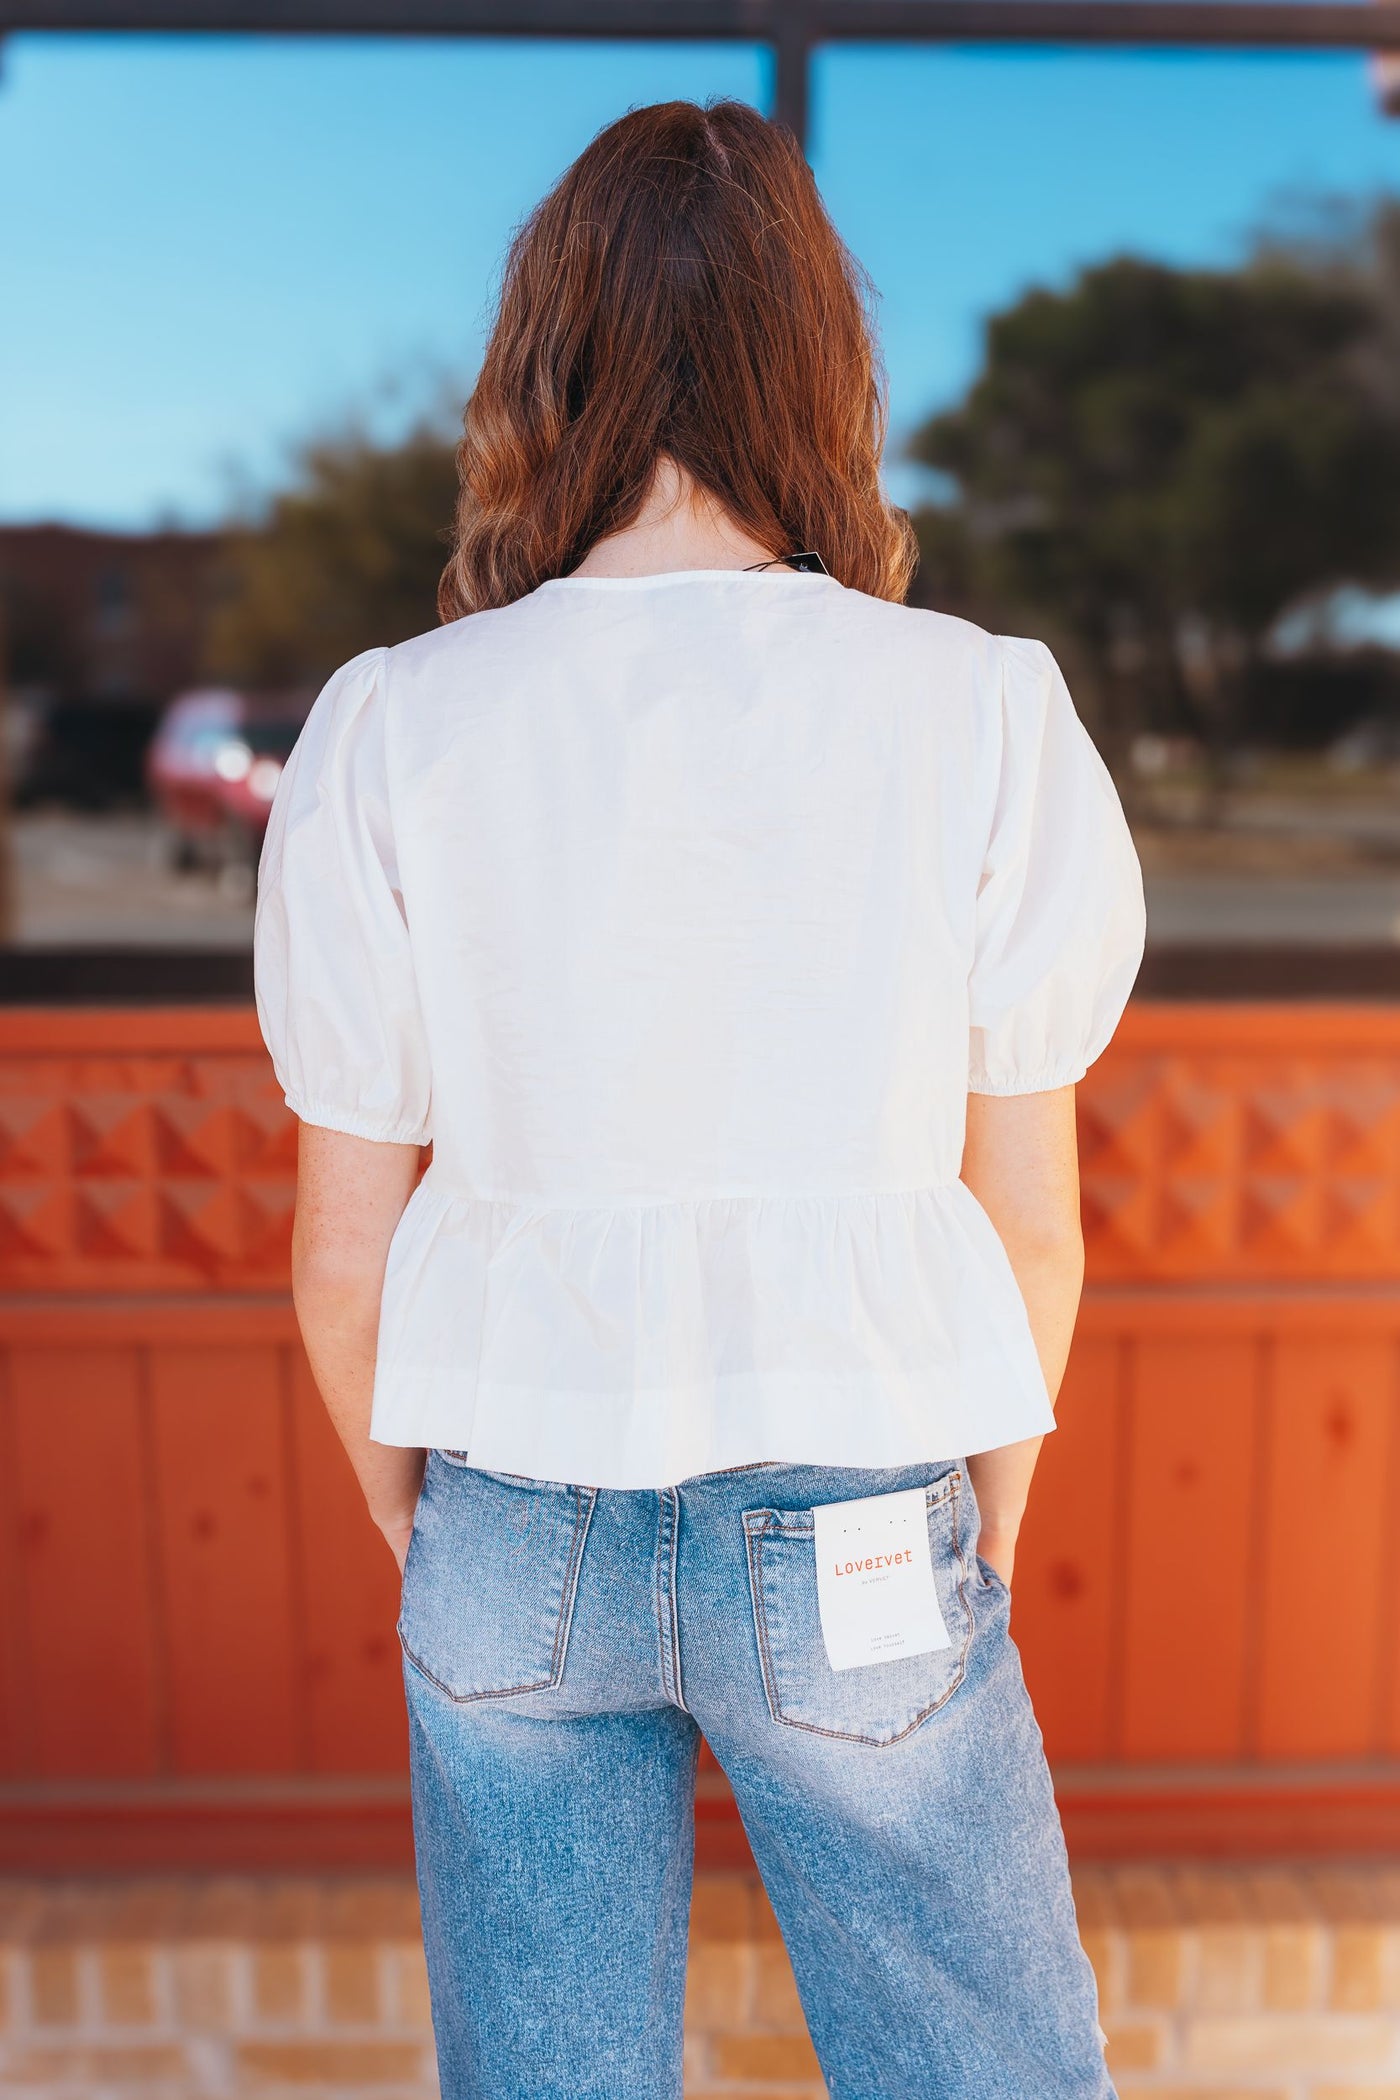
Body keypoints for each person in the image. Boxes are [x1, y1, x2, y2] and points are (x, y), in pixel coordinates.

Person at [254, 96, 1145, 2100]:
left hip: (505, 1512)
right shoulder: (975, 707)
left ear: (543, 363)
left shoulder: (394, 727)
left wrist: (449, 1543)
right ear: (819, 368)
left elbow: (338, 1250)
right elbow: (1032, 1231)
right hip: (862, 1506)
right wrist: (972, 1537)